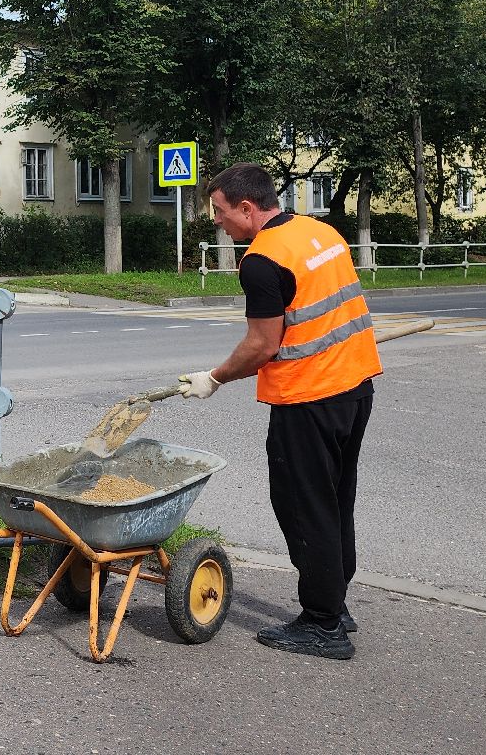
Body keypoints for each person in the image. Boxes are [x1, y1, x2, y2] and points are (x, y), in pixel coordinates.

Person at [175, 162, 381, 661]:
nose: (218, 222)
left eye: (221, 213)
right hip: (354, 386)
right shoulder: (321, 231)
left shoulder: (262, 260)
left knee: (304, 510)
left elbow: (262, 345)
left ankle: (322, 626)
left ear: (247, 208)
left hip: (308, 400)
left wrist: (214, 378)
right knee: (334, 504)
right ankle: (336, 605)